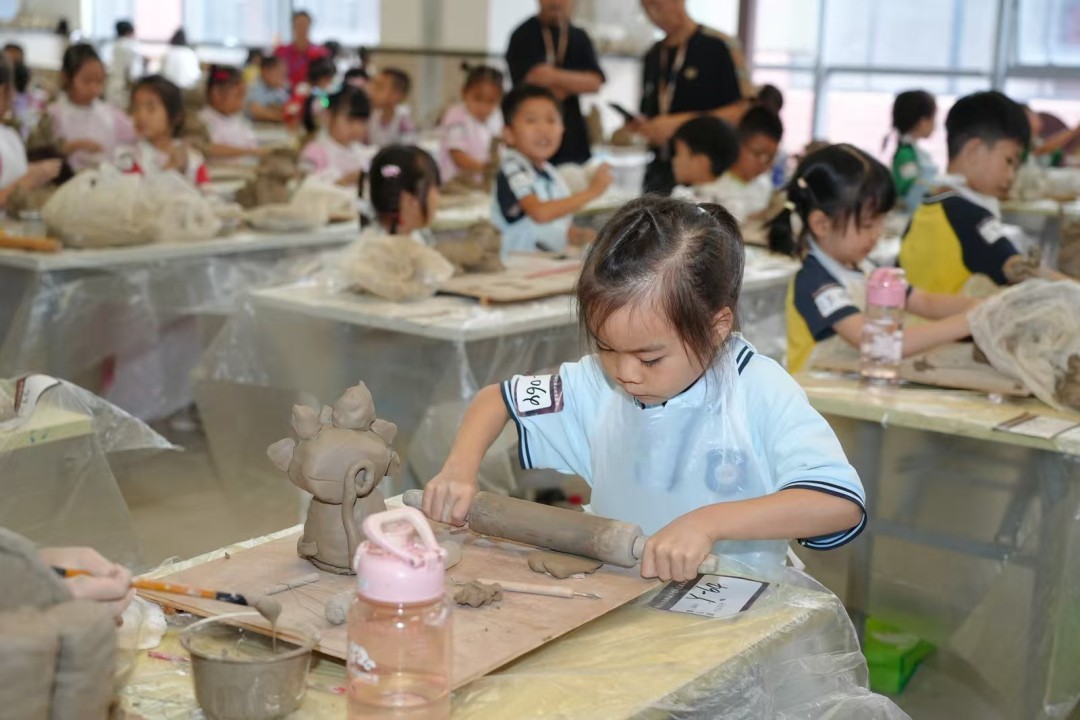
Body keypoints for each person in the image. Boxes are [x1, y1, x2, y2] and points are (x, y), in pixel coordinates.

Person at [422, 196, 867, 580]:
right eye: (605, 348)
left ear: (716, 328)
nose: (625, 373)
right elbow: (496, 400)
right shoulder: (595, 384)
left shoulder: (759, 390)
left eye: (650, 358)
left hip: (734, 603)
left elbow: (838, 503)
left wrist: (707, 523)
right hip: (620, 594)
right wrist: (458, 470)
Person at [769, 144, 980, 375]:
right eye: (868, 225)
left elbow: (925, 302)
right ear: (821, 224)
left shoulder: (868, 269)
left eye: (881, 221)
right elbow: (880, 344)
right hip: (815, 393)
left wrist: (981, 307)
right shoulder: (815, 282)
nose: (877, 233)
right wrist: (967, 322)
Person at [900, 91, 1036, 294]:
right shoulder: (972, 217)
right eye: (1009, 161)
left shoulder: (927, 207)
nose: (1011, 176)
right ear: (974, 151)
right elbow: (1022, 271)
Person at [635, 0, 753, 194]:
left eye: (657, 5)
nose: (654, 14)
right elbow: (651, 110)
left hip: (707, 173)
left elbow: (742, 111)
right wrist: (646, 127)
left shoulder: (719, 45)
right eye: (646, 8)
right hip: (661, 170)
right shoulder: (653, 55)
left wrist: (679, 123)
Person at [492, 84, 612, 255]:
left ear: (563, 129)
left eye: (551, 120)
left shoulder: (551, 172)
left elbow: (558, 225)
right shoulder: (512, 167)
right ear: (509, 134)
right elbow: (540, 213)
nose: (543, 129)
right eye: (531, 120)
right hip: (515, 264)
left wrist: (579, 235)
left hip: (544, 263)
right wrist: (592, 191)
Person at [506, 0, 605, 165]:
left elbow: (594, 82)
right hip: (532, 142)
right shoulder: (523, 35)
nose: (556, 2)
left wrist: (551, 76)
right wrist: (573, 84)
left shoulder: (578, 36)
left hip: (574, 140)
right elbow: (529, 83)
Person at [47, 44, 135, 172]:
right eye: (86, 81)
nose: (94, 89)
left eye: (99, 81)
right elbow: (45, 153)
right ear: (66, 77)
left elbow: (136, 134)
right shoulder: (53, 114)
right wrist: (74, 146)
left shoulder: (110, 113)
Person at [115, 75, 209, 187]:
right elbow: (131, 194)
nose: (140, 115)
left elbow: (207, 192)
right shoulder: (129, 157)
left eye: (151, 108)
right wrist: (172, 168)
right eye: (136, 108)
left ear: (175, 116)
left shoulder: (191, 158)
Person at [701, 106, 783, 223]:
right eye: (758, 154)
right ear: (738, 143)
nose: (765, 164)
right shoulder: (709, 186)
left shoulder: (765, 185)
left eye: (770, 157)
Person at [0, 59, 62, 207]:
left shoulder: (9, 136)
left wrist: (34, 172)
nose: (14, 95)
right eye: (12, 88)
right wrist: (26, 181)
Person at [437, 64, 505, 184]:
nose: (483, 107)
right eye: (478, 99)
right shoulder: (457, 117)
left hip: (483, 183)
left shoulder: (496, 118)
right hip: (457, 184)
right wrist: (487, 169)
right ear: (464, 92)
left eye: (491, 101)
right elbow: (457, 156)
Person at [363, 145, 441, 242]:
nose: (438, 198)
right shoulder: (408, 248)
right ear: (408, 201)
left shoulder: (370, 242)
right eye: (435, 188)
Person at [300, 88, 373, 187]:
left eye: (362, 122)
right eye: (350, 120)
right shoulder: (314, 153)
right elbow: (308, 189)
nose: (357, 128)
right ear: (328, 116)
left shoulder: (363, 153)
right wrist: (345, 181)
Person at [669, 115, 740, 204]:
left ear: (701, 162)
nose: (674, 160)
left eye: (678, 153)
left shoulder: (683, 200)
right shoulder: (735, 198)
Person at [888, 90, 938, 210]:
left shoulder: (911, 152)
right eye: (933, 118)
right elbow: (908, 192)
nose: (935, 125)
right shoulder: (906, 155)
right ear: (922, 122)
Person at [199, 65, 260, 160]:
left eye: (243, 96)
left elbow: (252, 144)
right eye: (238, 95)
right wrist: (249, 152)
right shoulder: (202, 121)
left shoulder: (238, 120)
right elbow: (207, 148)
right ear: (216, 94)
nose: (242, 102)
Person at [275, 10, 329, 90]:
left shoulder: (320, 53)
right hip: (285, 93)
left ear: (309, 26)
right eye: (299, 25)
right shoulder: (281, 52)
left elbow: (326, 80)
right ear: (293, 27)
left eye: (304, 25)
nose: (302, 29)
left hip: (313, 93)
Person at [366, 68, 418, 148]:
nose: (372, 90)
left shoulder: (403, 118)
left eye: (379, 87)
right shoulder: (369, 116)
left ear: (397, 95)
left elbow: (410, 144)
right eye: (372, 85)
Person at [105, 20, 142, 106]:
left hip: (109, 90)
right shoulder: (133, 48)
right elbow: (134, 75)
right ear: (130, 32)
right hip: (124, 93)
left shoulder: (108, 47)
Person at [246, 55, 290, 122]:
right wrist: (282, 117)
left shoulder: (277, 89)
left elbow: (288, 107)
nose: (282, 78)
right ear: (265, 72)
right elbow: (256, 111)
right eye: (279, 73)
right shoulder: (254, 86)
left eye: (284, 74)